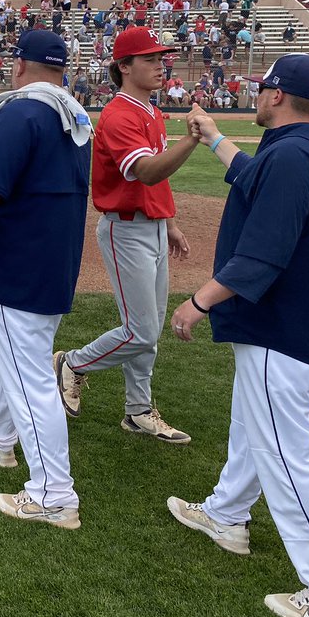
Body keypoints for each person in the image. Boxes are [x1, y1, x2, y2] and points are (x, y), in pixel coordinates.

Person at [168, 54, 309, 617]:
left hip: (279, 328)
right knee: (251, 426)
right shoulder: (307, 149)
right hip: (298, 324)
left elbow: (260, 256)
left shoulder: (290, 156)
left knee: (288, 457)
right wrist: (214, 138)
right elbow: (254, 177)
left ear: (277, 95)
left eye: (262, 88)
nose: (256, 95)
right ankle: (226, 515)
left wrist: (198, 302)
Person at [0, 30, 92, 529]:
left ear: (20, 65)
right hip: (51, 259)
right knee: (16, 358)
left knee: (30, 379)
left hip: (17, 264)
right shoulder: (72, 114)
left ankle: (53, 494)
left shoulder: (21, 112)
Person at [55, 26, 199, 445]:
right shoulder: (118, 114)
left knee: (146, 329)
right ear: (124, 66)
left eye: (161, 58)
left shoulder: (151, 111)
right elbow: (148, 170)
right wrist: (194, 138)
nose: (160, 65)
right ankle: (72, 364)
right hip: (125, 231)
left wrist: (168, 222)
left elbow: (157, 181)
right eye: (150, 59)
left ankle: (138, 411)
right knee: (142, 331)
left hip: (151, 227)